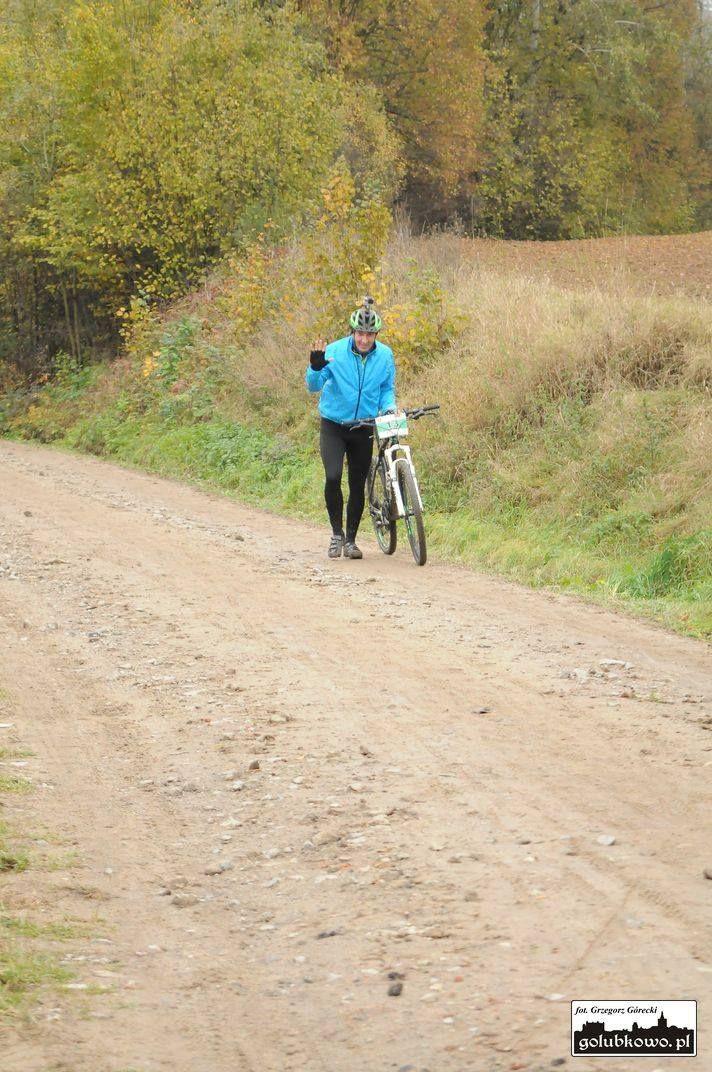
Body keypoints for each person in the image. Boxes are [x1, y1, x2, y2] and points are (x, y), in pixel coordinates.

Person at [305, 297, 396, 559]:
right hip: (334, 425)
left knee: (357, 484)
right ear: (352, 332)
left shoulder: (385, 356)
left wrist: (389, 407)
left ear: (376, 334)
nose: (364, 339)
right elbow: (313, 386)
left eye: (369, 334)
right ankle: (336, 534)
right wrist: (315, 367)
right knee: (333, 477)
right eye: (360, 333)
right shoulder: (334, 351)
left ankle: (352, 541)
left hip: (363, 427)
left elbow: (386, 389)